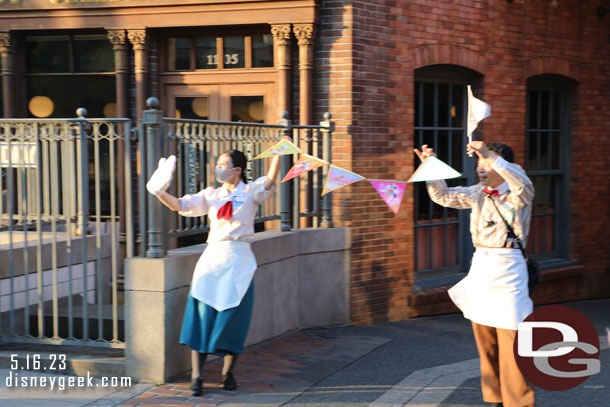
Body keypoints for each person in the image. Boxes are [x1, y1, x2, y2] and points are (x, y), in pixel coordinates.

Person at [146, 146, 283, 396]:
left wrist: (277, 156)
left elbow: (270, 183)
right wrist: (158, 191)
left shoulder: (251, 192)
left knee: (232, 319)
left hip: (239, 261)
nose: (218, 167)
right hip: (211, 260)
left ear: (237, 170)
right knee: (201, 316)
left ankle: (228, 373)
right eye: (218, 162)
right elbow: (180, 205)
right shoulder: (211, 195)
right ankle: (197, 377)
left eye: (223, 163)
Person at [414, 141, 535, 407]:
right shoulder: (477, 192)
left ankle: (520, 402)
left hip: (508, 268)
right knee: (485, 339)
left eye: (487, 164)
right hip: (481, 266)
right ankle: (496, 398)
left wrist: (490, 155)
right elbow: (443, 196)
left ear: (505, 167)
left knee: (511, 341)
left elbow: (523, 184)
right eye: (478, 164)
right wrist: (430, 166)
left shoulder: (518, 194)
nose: (481, 169)